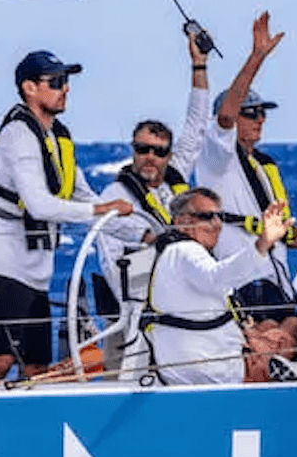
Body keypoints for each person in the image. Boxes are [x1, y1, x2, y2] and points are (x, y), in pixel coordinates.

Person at [0, 49, 131, 384]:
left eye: (66, 81)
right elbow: (40, 205)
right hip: (0, 266)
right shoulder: (18, 134)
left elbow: (83, 195)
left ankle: (25, 432)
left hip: (36, 275)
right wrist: (99, 210)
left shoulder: (58, 137)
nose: (65, 88)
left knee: (36, 368)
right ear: (29, 88)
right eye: (56, 81)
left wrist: (141, 233)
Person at [189, 12, 297, 354]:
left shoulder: (264, 166)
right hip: (245, 280)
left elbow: (286, 232)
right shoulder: (217, 156)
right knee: (277, 338)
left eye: (262, 113)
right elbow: (226, 115)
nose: (259, 119)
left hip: (277, 283)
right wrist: (257, 56)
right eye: (251, 112)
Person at [91, 41, 213, 313]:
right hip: (139, 306)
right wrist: (149, 236)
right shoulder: (114, 196)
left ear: (169, 156)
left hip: (187, 295)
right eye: (142, 149)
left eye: (158, 152)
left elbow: (197, 125)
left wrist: (199, 64)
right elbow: (111, 257)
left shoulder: (176, 175)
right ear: (132, 150)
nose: (150, 157)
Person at [140, 192, 293, 385]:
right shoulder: (186, 251)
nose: (217, 223)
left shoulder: (172, 253)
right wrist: (263, 243)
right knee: (286, 337)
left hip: (180, 365)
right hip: (215, 370)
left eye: (219, 216)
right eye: (207, 217)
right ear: (181, 222)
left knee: (271, 328)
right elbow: (216, 278)